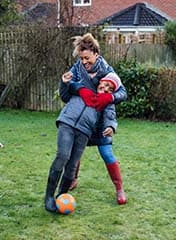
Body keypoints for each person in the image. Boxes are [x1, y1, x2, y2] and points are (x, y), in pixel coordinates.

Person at [57, 33, 128, 205]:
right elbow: (65, 96)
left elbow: (123, 93)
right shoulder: (77, 69)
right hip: (82, 121)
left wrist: (109, 98)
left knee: (107, 154)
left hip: (101, 124)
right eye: (81, 58)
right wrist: (68, 84)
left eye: (87, 58)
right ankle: (72, 179)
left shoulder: (108, 71)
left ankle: (119, 188)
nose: (84, 62)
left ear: (96, 54)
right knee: (75, 154)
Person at [44, 72, 121, 212]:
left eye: (110, 89)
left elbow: (111, 116)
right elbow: (65, 95)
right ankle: (49, 197)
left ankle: (61, 196)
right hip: (67, 123)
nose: (105, 89)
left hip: (84, 131)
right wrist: (64, 83)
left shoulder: (106, 102)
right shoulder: (83, 87)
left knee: (72, 165)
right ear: (101, 81)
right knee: (63, 156)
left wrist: (111, 127)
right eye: (105, 84)